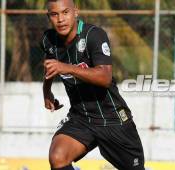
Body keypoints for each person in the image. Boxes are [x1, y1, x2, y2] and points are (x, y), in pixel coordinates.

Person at [40, 0, 145, 170]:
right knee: (58, 157)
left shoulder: (94, 35)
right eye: (54, 14)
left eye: (65, 12)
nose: (60, 19)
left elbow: (104, 77)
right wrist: (46, 92)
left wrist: (66, 68)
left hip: (113, 118)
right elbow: (50, 64)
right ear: (49, 17)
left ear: (76, 12)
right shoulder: (48, 39)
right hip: (81, 118)